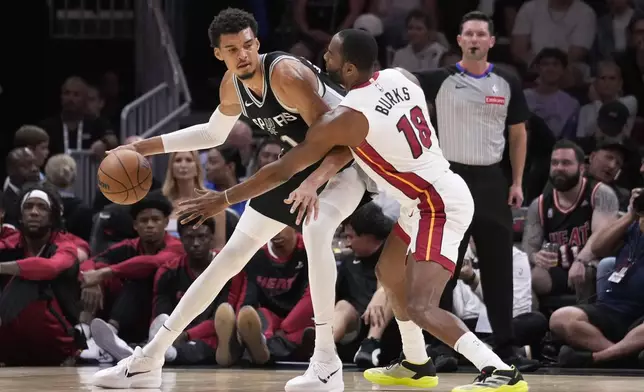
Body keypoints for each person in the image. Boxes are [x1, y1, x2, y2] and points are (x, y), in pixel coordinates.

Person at [174, 28, 528, 392]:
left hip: (437, 205)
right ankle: (416, 362)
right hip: (422, 195)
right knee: (389, 273)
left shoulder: (347, 117)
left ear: (347, 69)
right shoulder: (397, 76)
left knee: (422, 306)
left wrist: (224, 199)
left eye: (330, 54)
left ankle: (498, 370)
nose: (323, 58)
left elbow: (282, 169)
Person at [92, 7, 369, 390]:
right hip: (303, 163)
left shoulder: (286, 76)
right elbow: (211, 134)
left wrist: (313, 182)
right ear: (218, 54)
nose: (243, 55)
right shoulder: (231, 85)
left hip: (356, 161)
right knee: (228, 259)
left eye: (249, 45)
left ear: (258, 43)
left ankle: (326, 361)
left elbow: (343, 139)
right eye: (232, 49)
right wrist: (142, 147)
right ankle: (150, 358)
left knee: (317, 228)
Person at [415, 11, 530, 367]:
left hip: (492, 181)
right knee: (445, 265)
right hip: (451, 179)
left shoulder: (507, 82)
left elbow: (518, 134)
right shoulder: (438, 80)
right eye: (469, 34)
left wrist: (517, 182)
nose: (476, 39)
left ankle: (507, 347)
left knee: (498, 268)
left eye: (482, 34)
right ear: (460, 41)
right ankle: (441, 347)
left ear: (492, 41)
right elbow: (399, 85)